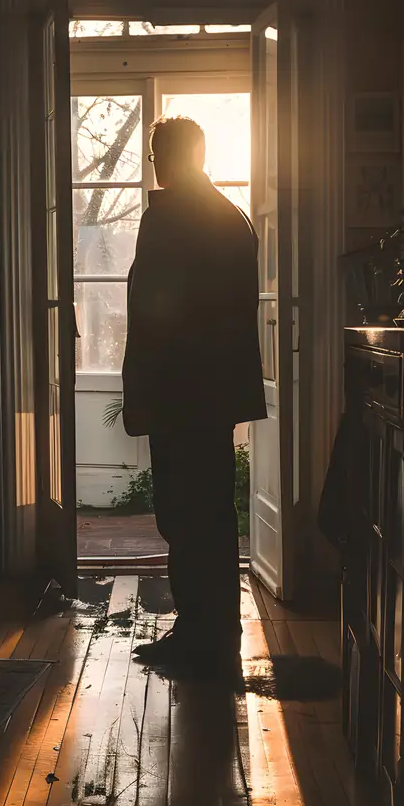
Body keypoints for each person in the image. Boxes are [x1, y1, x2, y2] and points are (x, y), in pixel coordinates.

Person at [122, 115, 266, 664]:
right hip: (211, 390)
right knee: (207, 509)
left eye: (157, 158)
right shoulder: (231, 218)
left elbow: (156, 315)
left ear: (170, 158)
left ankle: (199, 633)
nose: (155, 169)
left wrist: (144, 386)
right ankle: (212, 629)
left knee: (184, 511)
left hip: (179, 390)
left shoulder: (171, 220)